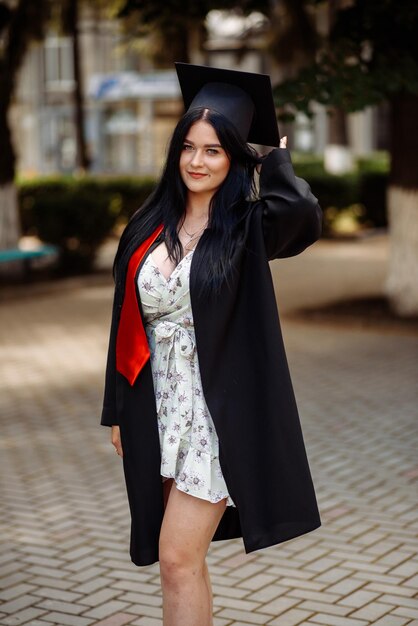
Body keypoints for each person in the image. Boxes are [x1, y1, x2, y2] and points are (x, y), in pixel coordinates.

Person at [101, 63, 322, 625]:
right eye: (188, 148)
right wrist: (117, 410)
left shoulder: (246, 230)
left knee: (177, 557)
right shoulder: (148, 224)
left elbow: (299, 214)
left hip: (217, 411)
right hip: (157, 406)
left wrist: (274, 157)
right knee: (182, 563)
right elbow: (125, 318)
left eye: (215, 151)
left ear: (234, 159)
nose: (197, 162)